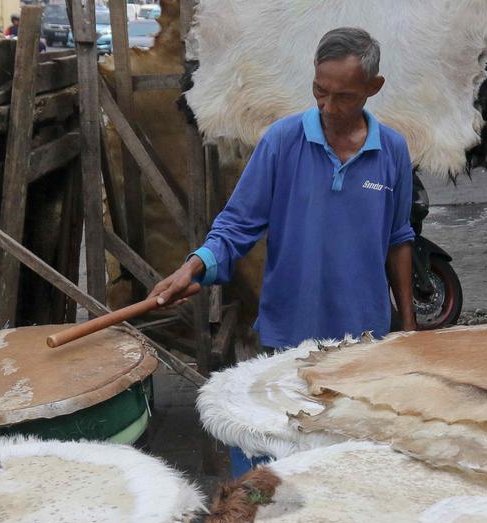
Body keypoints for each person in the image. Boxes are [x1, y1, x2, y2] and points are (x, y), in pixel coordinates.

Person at [150, 27, 417, 350]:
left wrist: (408, 325)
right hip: (290, 335)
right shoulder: (281, 141)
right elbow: (236, 225)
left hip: (365, 335)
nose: (328, 107)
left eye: (344, 96)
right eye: (320, 90)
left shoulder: (392, 150)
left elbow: (398, 239)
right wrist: (192, 268)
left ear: (373, 87)